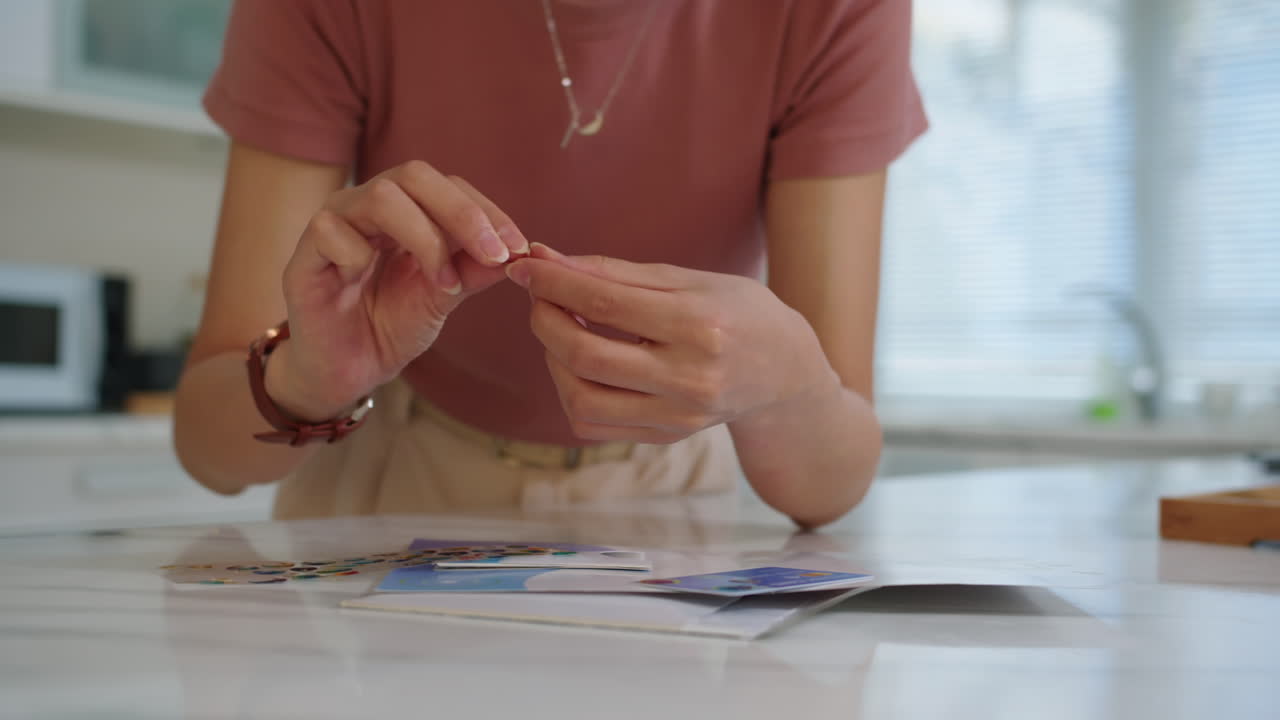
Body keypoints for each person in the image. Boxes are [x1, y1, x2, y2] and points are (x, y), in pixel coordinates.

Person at [173, 0, 927, 529]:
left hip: (670, 508)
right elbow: (207, 445)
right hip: (386, 480)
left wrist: (789, 390)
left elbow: (828, 486)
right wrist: (309, 381)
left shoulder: (839, 10)